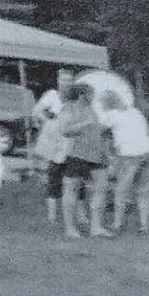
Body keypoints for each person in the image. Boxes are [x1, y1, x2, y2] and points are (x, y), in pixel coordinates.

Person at [57, 82, 111, 239]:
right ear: (82, 95)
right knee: (71, 189)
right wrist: (84, 124)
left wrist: (102, 131)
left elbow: (94, 130)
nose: (94, 97)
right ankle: (70, 229)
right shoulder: (69, 108)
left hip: (97, 155)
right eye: (91, 94)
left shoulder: (91, 109)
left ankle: (96, 227)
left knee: (101, 188)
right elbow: (65, 130)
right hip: (77, 155)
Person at [97, 91, 149, 234]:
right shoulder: (135, 112)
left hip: (129, 155)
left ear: (106, 103)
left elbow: (98, 130)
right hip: (147, 151)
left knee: (121, 190)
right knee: (143, 191)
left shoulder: (110, 115)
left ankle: (117, 224)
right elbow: (145, 130)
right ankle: (144, 226)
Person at [31, 69, 75, 224]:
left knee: (74, 179)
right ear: (58, 80)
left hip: (70, 143)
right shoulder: (51, 95)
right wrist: (48, 120)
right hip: (53, 142)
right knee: (53, 178)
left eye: (70, 80)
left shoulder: (75, 98)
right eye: (64, 80)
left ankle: (78, 215)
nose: (66, 83)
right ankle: (52, 216)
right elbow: (36, 112)